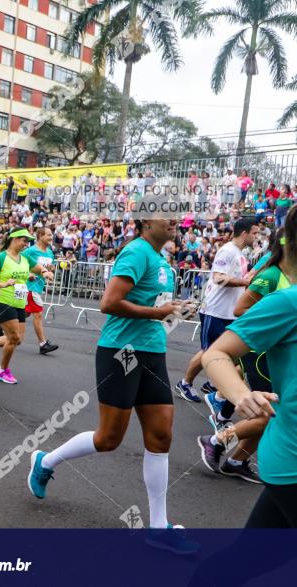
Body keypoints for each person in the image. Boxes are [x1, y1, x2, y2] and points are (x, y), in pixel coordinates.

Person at [28, 214, 200, 554]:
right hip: (121, 351)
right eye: (168, 217)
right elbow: (109, 303)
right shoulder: (136, 252)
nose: (175, 222)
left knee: (161, 435)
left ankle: (159, 527)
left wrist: (174, 311)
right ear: (146, 222)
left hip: (152, 351)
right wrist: (157, 312)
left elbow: (154, 304)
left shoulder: (162, 259)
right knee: (108, 438)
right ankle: (45, 462)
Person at [201, 263, 297, 528]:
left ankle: (229, 452)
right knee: (266, 412)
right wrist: (241, 394)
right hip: (291, 457)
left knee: (247, 560)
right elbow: (216, 351)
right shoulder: (285, 296)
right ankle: (220, 438)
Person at [176, 218, 258, 410]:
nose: (256, 237)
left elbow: (238, 279)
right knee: (210, 351)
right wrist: (244, 283)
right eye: (254, 233)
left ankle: (212, 384)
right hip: (215, 311)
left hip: (230, 313)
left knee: (231, 352)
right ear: (244, 233)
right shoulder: (227, 250)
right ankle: (185, 383)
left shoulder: (240, 254)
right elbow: (218, 278)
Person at [0, 228, 54, 384]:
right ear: (14, 239)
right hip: (2, 301)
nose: (26, 244)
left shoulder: (25, 258)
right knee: (13, 337)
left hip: (19, 302)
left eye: (28, 241)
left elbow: (37, 268)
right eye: (24, 240)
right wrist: (3, 283)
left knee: (17, 339)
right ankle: (2, 371)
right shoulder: (1, 258)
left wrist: (44, 272)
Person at [22, 227, 59, 355]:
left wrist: (51, 269)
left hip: (39, 287)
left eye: (52, 235)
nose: (51, 237)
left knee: (26, 313)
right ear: (40, 236)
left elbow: (49, 269)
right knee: (38, 314)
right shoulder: (30, 251)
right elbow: (18, 264)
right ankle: (43, 344)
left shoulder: (50, 253)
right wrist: (28, 274)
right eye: (49, 235)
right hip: (29, 287)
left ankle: (3, 326)